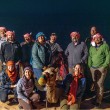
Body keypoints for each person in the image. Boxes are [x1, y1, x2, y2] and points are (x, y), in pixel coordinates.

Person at [88, 33, 110, 108]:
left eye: (98, 37)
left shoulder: (105, 46)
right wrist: (89, 65)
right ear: (93, 39)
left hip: (101, 68)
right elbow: (90, 56)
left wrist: (105, 65)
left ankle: (98, 101)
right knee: (95, 83)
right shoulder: (91, 47)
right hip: (93, 68)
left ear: (101, 38)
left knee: (100, 84)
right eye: (95, 38)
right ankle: (96, 98)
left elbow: (108, 56)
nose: (97, 39)